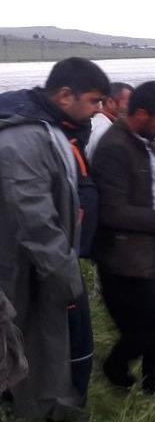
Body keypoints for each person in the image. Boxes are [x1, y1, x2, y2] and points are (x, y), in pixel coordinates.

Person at [0, 57, 109, 419]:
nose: (99, 109)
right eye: (94, 100)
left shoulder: (49, 127)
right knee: (37, 348)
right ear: (65, 95)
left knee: (48, 348)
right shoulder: (23, 138)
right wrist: (67, 279)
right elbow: (34, 218)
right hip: (27, 271)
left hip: (45, 266)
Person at [91, 80, 155, 393]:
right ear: (141, 114)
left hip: (153, 247)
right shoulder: (113, 148)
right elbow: (112, 212)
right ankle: (115, 365)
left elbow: (146, 192)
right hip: (124, 260)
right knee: (148, 328)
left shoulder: (149, 145)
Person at [86, 82, 132, 159]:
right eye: (128, 104)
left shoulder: (96, 123)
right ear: (110, 102)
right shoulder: (104, 131)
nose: (133, 109)